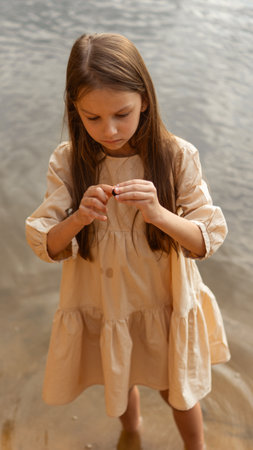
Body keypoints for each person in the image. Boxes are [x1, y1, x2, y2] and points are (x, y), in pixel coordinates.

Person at [26, 33, 230, 450]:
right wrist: (79, 216)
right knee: (118, 374)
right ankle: (130, 435)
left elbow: (205, 240)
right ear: (74, 110)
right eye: (92, 118)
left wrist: (158, 213)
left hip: (165, 298)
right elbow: (45, 242)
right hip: (107, 298)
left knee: (178, 390)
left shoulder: (176, 157)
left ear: (145, 102)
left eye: (122, 113)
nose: (110, 130)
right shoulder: (69, 161)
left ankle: (198, 447)